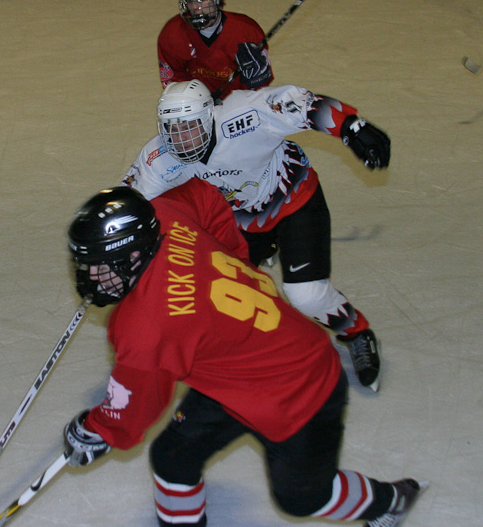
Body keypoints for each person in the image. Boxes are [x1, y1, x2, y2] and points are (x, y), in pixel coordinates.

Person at [61, 181, 425, 527]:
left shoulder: (146, 325)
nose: (90, 276)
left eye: (99, 266)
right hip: (239, 372)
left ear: (133, 253)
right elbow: (203, 195)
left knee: (301, 498)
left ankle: (392, 500)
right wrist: (235, 259)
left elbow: (136, 407)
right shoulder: (164, 215)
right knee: (174, 458)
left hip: (302, 389)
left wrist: (97, 429)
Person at [122, 79, 391, 390]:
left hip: (293, 199)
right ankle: (252, 353)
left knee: (306, 295)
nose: (182, 140)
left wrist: (351, 127)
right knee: (216, 295)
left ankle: (356, 331)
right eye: (173, 129)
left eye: (190, 126)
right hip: (243, 223)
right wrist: (110, 246)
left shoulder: (244, 115)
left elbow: (302, 105)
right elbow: (130, 205)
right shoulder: (159, 158)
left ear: (210, 116)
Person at [158, 0, 275, 99]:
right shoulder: (173, 33)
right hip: (197, 104)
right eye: (190, 1)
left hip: (241, 102)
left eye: (202, 0)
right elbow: (174, 81)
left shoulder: (246, 31)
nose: (196, 7)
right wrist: (195, 100)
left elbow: (261, 87)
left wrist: (257, 80)